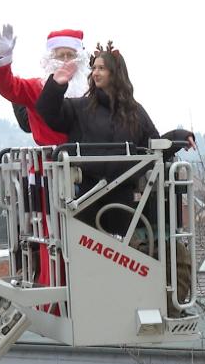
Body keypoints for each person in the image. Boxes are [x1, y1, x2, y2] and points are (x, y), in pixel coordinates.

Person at [35, 42, 196, 314]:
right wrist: (56, 84)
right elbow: (48, 113)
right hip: (87, 198)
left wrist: (179, 137)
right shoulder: (79, 109)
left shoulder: (134, 112)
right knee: (94, 257)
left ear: (115, 72)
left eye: (101, 68)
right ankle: (96, 307)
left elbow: (154, 144)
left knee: (149, 251)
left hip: (124, 198)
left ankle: (164, 304)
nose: (96, 73)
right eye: (94, 68)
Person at [0, 24, 90, 146]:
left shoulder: (92, 89)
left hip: (89, 161)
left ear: (79, 57)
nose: (66, 60)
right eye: (60, 55)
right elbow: (6, 86)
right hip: (48, 162)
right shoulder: (36, 88)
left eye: (70, 55)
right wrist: (3, 58)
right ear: (50, 58)